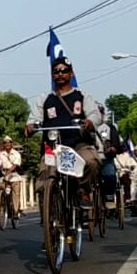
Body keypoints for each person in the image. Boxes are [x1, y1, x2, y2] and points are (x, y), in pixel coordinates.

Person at [25, 56, 102, 206]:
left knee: (91, 162)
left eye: (64, 71)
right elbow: (33, 119)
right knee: (43, 181)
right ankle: (50, 213)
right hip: (52, 148)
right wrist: (30, 127)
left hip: (78, 145)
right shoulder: (44, 99)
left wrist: (90, 122)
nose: (60, 74)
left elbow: (95, 114)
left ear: (71, 73)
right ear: (52, 75)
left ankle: (83, 190)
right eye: (56, 71)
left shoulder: (82, 95)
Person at [95, 104, 123, 205]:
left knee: (110, 175)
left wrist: (113, 148)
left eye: (99, 112)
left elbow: (116, 144)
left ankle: (109, 196)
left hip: (105, 159)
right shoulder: (84, 127)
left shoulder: (110, 128)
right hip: (90, 159)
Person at [0, 136, 24, 218]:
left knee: (15, 192)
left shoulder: (16, 154)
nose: (7, 144)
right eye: (5, 143)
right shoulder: (1, 154)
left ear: (11, 143)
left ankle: (15, 211)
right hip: (3, 174)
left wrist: (8, 172)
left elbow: (15, 165)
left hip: (13, 175)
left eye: (9, 142)